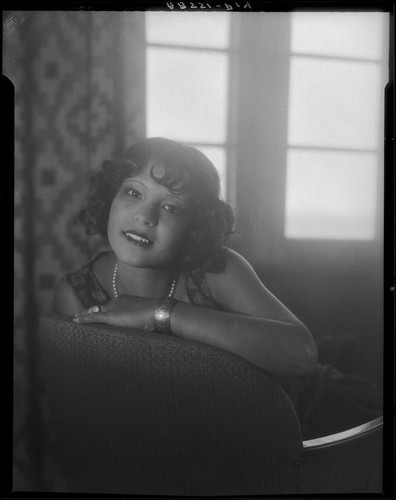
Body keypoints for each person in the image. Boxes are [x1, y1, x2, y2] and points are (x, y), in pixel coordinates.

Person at [53, 137, 381, 438]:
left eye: (171, 207)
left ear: (194, 227)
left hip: (319, 418)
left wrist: (160, 313)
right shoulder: (78, 293)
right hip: (217, 446)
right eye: (134, 193)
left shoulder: (216, 269)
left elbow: (302, 355)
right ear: (111, 195)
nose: (145, 216)